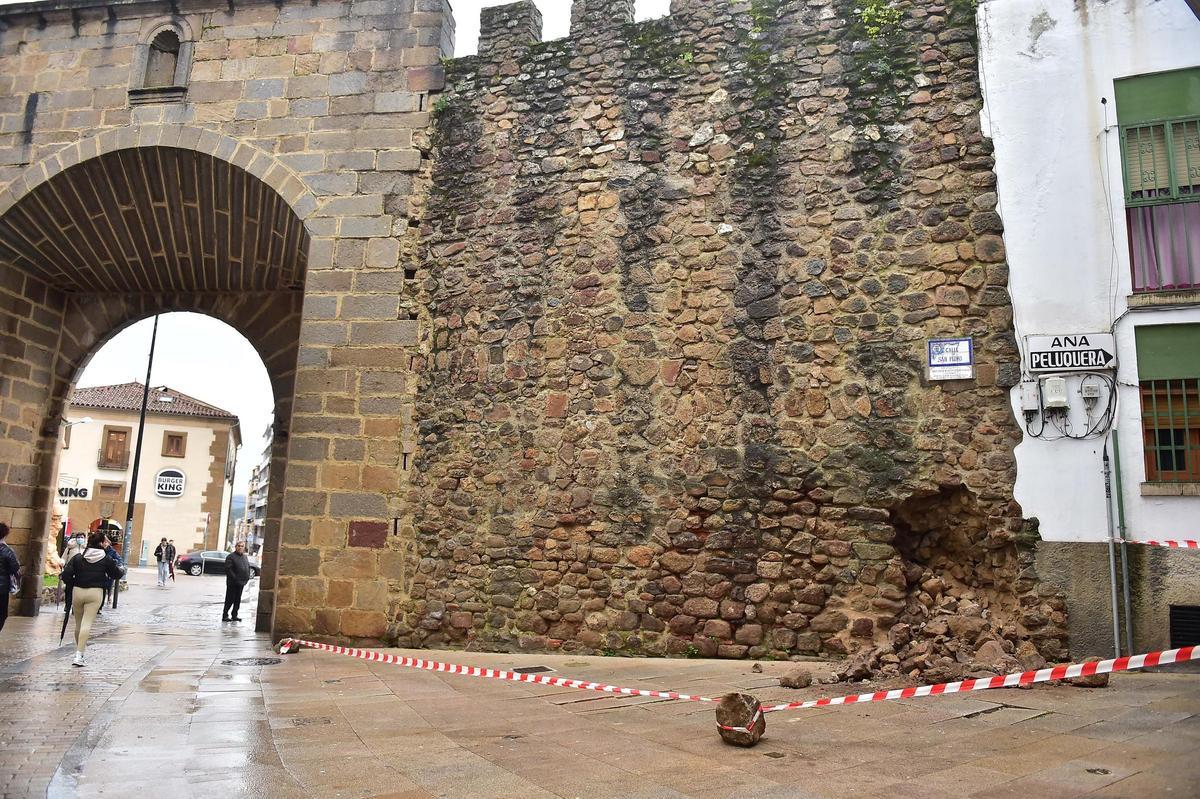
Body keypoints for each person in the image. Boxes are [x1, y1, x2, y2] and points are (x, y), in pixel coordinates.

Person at [61, 532, 124, 666]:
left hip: (78, 591)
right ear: (101, 543)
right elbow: (116, 573)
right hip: (95, 592)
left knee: (78, 623)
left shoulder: (78, 557)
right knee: (87, 623)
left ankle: (79, 651)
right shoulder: (106, 559)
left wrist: (73, 582)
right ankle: (79, 655)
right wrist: (122, 569)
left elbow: (66, 575)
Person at [0, 522, 21, 634]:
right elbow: (15, 569)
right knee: (2, 613)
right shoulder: (8, 551)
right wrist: (18, 582)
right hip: (2, 588)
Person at [223, 541, 252, 622]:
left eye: (242, 546)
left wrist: (247, 577)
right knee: (229, 599)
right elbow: (228, 569)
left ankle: (234, 615)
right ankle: (225, 615)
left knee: (237, 600)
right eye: (238, 546)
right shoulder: (231, 556)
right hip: (233, 583)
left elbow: (247, 567)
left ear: (244, 547)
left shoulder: (245, 557)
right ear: (235, 547)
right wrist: (235, 578)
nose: (240, 547)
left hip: (241, 583)